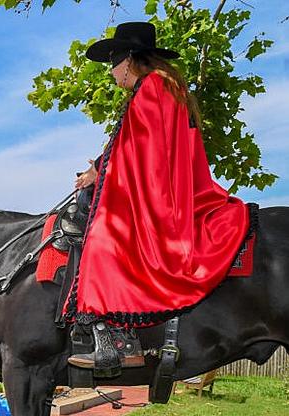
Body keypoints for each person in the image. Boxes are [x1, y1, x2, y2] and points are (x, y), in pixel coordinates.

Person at [65, 21, 249, 372]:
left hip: (163, 197)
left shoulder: (153, 88)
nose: (111, 72)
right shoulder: (164, 87)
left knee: (104, 239)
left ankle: (118, 343)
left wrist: (101, 173)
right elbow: (138, 148)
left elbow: (142, 153)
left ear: (131, 60)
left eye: (114, 62)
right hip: (165, 187)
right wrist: (102, 167)